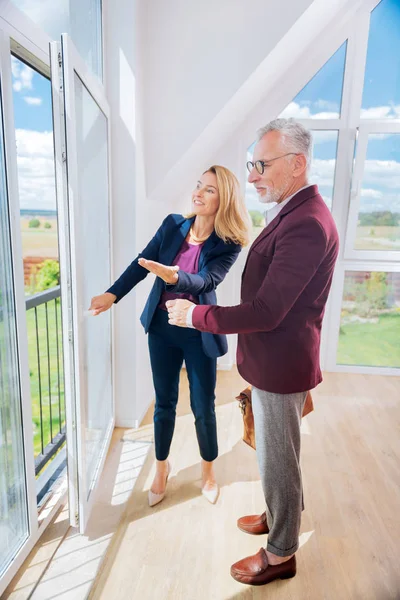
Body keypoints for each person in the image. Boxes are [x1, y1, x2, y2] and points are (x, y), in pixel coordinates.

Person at [166, 119, 339, 585]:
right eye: (251, 165)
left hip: (281, 362)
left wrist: (195, 315)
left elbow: (266, 310)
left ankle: (282, 552)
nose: (253, 175)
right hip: (275, 357)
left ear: (297, 164)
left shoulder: (306, 223)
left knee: (277, 456)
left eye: (261, 165)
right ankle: (280, 513)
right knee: (282, 451)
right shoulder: (293, 211)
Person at [89, 165, 250, 507]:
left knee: (202, 407)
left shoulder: (228, 244)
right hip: (162, 330)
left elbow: (207, 281)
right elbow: (140, 263)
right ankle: (161, 467)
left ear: (225, 199)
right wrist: (112, 294)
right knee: (164, 404)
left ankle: (208, 471)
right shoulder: (173, 224)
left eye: (209, 190)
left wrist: (174, 276)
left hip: (197, 330)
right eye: (198, 186)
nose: (199, 193)